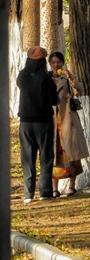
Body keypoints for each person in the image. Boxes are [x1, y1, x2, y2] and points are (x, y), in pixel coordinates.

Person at [16, 45, 59, 203]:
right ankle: (45, 192)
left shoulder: (21, 76)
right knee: (46, 156)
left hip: (25, 122)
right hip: (43, 122)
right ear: (42, 61)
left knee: (27, 158)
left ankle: (28, 194)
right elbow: (54, 100)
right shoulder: (46, 78)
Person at [49, 51, 88, 197]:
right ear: (50, 64)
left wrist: (71, 79)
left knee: (71, 152)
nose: (56, 65)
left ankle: (72, 186)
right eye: (53, 62)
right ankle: (54, 188)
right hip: (52, 119)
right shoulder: (47, 78)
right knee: (54, 154)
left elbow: (79, 89)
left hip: (68, 120)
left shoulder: (67, 77)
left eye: (58, 62)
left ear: (63, 63)